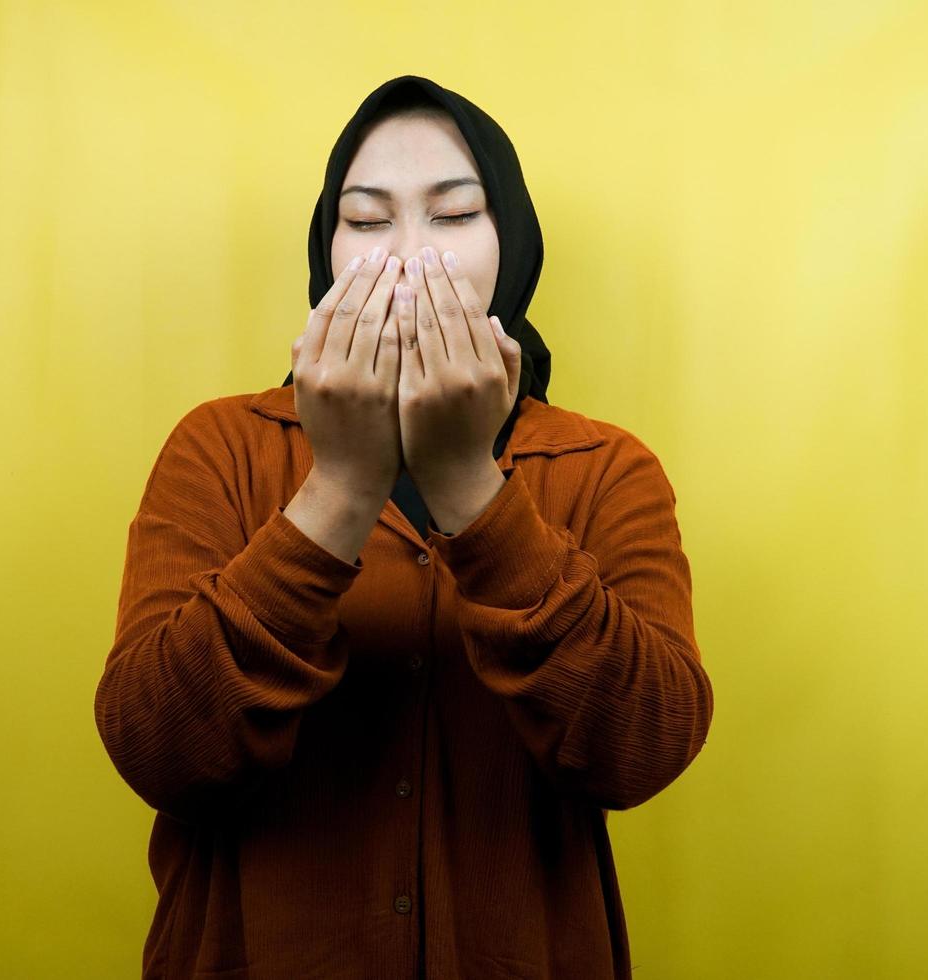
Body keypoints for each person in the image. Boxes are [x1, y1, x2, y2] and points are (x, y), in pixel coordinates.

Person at [94, 74, 714, 980]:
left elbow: (642, 750)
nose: (409, 257)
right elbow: (160, 748)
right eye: (370, 221)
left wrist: (470, 484)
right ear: (328, 249)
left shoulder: (605, 469)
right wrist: (340, 485)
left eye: (455, 217)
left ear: (514, 243)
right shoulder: (219, 448)